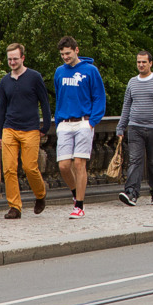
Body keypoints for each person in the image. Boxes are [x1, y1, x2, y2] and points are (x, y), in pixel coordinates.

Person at [0, 43, 51, 219]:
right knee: (9, 169)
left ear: (23, 58)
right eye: (9, 59)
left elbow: (44, 102)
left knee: (29, 167)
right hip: (9, 128)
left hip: (30, 128)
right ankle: (15, 207)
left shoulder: (34, 77)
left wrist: (46, 126)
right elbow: (1, 108)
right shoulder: (5, 81)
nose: (12, 62)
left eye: (15, 59)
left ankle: (40, 195)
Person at [53, 36, 106, 219]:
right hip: (65, 122)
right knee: (64, 166)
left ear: (76, 50)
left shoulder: (90, 71)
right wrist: (58, 119)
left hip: (84, 121)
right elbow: (59, 95)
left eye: (67, 53)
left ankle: (80, 206)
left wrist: (93, 121)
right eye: (62, 54)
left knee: (79, 163)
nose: (65, 57)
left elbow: (99, 95)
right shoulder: (59, 72)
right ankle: (76, 194)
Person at [116, 51, 153, 206]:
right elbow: (127, 105)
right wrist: (121, 126)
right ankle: (131, 193)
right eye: (138, 62)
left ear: (150, 63)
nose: (141, 65)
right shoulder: (132, 82)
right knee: (135, 161)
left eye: (144, 62)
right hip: (135, 127)